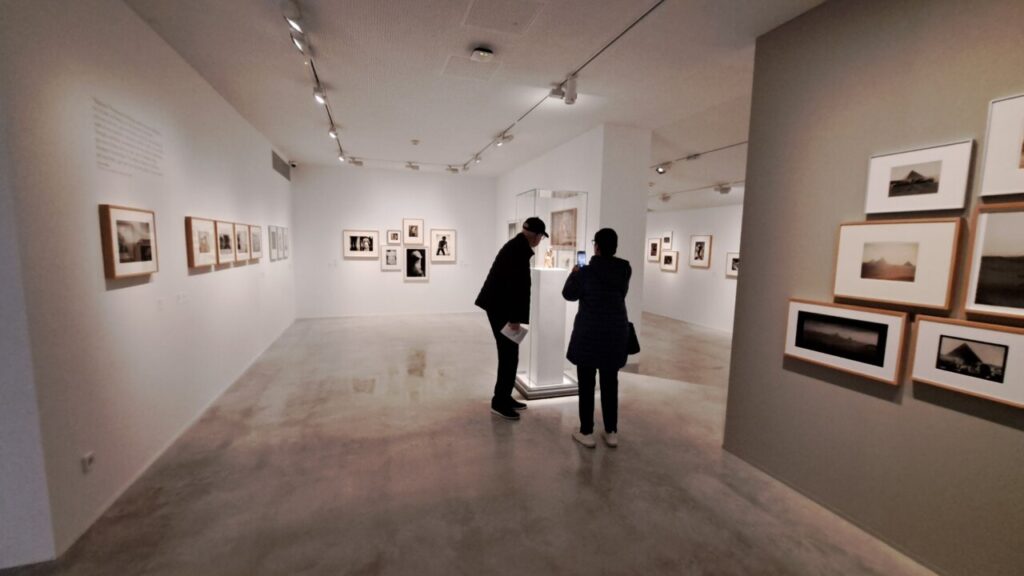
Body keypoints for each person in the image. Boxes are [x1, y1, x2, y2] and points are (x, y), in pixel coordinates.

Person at [562, 228, 631, 448]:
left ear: (597, 246)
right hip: (615, 333)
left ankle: (587, 432)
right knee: (610, 384)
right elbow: (621, 293)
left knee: (587, 385)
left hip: (589, 334)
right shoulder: (624, 269)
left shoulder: (585, 272)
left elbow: (569, 294)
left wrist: (574, 273)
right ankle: (611, 432)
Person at [475, 216, 548, 420]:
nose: (540, 241)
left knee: (510, 354)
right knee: (508, 354)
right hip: (501, 309)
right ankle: (499, 401)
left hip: (499, 306)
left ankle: (505, 397)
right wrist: (515, 319)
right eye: (541, 237)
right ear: (536, 235)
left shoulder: (516, 246)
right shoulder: (518, 250)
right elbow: (517, 288)